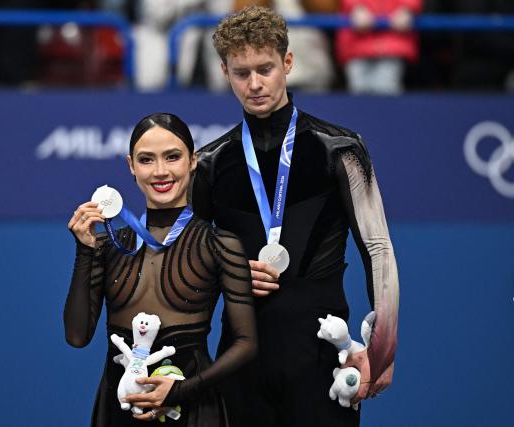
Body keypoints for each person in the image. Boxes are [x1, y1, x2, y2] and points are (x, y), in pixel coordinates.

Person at [190, 6, 399, 426]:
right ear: (224, 72)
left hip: (323, 359)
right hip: (240, 361)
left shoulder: (340, 149)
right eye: (241, 72)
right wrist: (229, 273)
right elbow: (187, 264)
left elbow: (377, 248)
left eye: (264, 68)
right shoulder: (211, 163)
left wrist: (383, 349)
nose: (254, 84)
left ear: (287, 62)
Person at [64, 112, 257, 426]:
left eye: (172, 157)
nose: (160, 171)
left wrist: (182, 390)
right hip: (120, 411)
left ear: (193, 161)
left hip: (194, 408)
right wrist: (84, 251)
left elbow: (246, 343)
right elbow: (76, 335)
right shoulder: (106, 246)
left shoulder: (219, 244)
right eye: (146, 160)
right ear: (131, 166)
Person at [336, 0, 423, 95]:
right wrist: (356, 7)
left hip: (392, 45)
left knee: (386, 92)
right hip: (357, 43)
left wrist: (407, 8)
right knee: (359, 95)